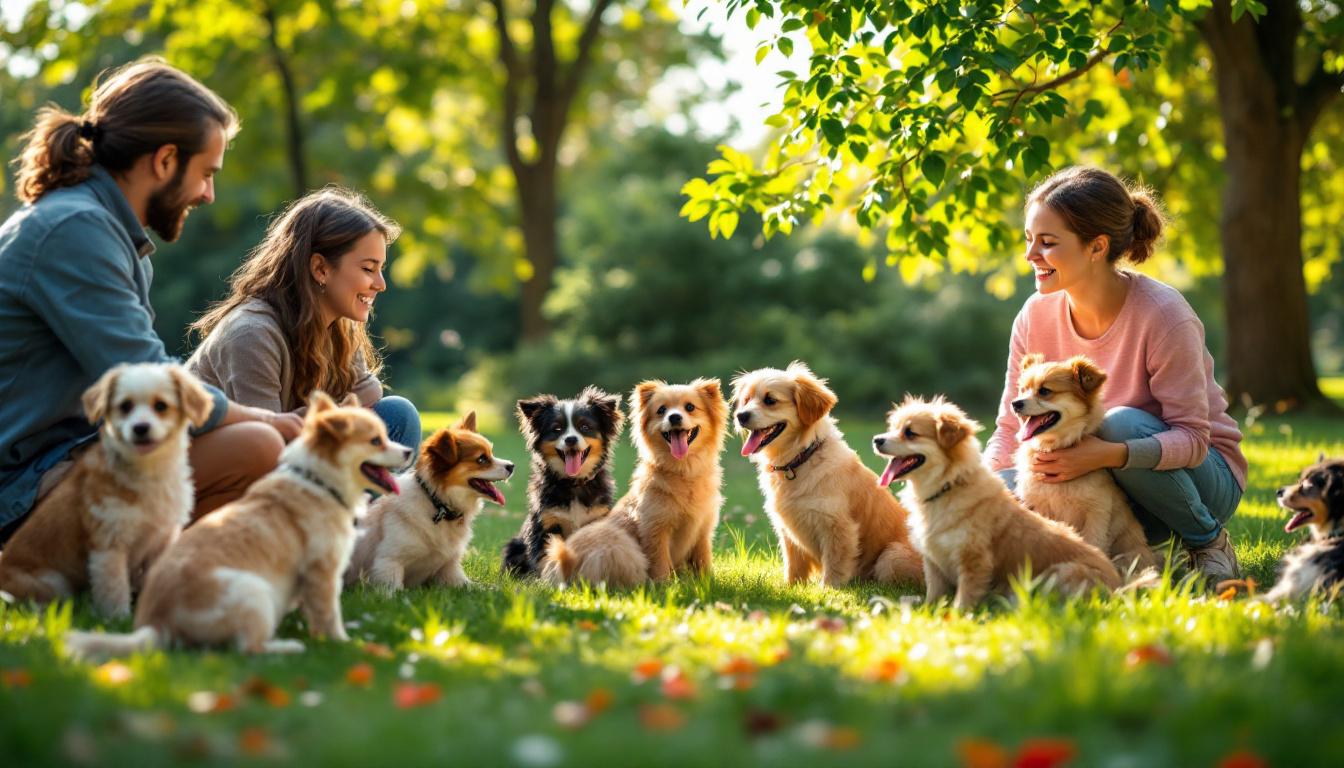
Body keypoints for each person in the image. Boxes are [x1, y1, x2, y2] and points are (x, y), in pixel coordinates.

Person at [0, 58, 300, 543]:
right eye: (206, 173)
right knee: (258, 445)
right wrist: (274, 418)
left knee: (255, 443)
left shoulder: (105, 231)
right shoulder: (75, 229)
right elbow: (150, 372)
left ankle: (164, 572)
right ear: (164, 161)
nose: (208, 194)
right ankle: (156, 579)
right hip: (18, 488)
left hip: (68, 458)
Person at [983, 166, 1248, 582]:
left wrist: (1104, 454)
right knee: (1002, 484)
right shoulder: (1034, 315)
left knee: (1117, 423)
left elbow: (1195, 441)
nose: (1031, 255)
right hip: (1101, 491)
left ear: (1096, 247)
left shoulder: (1163, 314)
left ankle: (1208, 543)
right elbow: (1007, 427)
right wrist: (986, 487)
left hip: (1199, 482)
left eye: (1048, 243)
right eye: (1029, 240)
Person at [187, 187, 420, 453]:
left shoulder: (339, 326)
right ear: (320, 268)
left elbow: (369, 391)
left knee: (398, 415)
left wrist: (331, 413)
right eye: (368, 269)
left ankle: (363, 495)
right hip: (214, 470)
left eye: (380, 269)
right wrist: (333, 414)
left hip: (289, 451)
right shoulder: (252, 334)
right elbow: (265, 441)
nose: (380, 284)